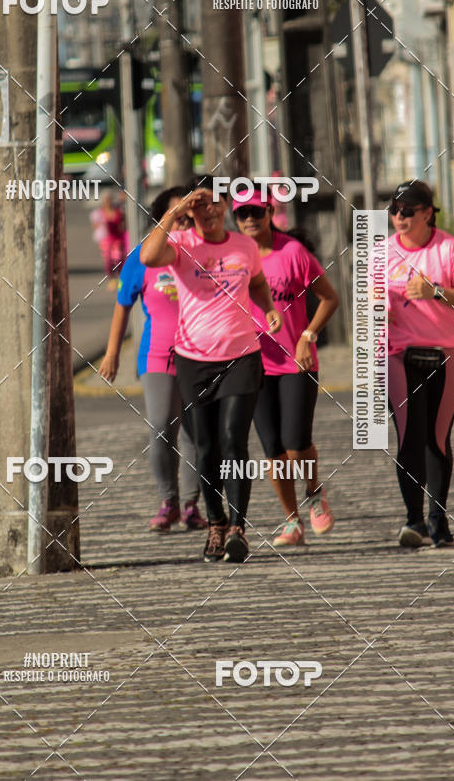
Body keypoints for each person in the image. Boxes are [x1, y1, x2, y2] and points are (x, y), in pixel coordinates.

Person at [140, 178, 283, 563]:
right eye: (200, 205)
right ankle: (215, 523)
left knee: (234, 438)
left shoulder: (245, 246)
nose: (209, 210)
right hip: (193, 359)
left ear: (224, 206)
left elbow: (256, 282)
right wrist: (174, 212)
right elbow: (148, 257)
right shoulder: (183, 244)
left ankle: (238, 527)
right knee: (207, 446)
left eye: (215, 202)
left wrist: (268, 308)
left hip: (241, 355)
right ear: (191, 211)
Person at [232, 187, 340, 546]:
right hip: (253, 363)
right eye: (242, 214)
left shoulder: (293, 253)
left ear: (269, 211)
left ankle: (314, 492)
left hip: (296, 361)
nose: (249, 219)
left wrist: (307, 336)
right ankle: (292, 522)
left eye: (256, 212)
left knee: (296, 443)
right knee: (273, 450)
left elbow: (329, 298)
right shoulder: (234, 257)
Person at [99, 187, 206, 533]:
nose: (182, 222)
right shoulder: (141, 257)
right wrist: (113, 351)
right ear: (161, 218)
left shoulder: (200, 252)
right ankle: (168, 500)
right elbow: (122, 306)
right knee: (162, 426)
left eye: (187, 217)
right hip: (156, 354)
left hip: (201, 353)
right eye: (175, 215)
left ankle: (191, 505)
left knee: (194, 432)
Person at [386, 180, 454, 547]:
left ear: (428, 213)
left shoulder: (449, 248)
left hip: (447, 355)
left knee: (436, 439)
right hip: (400, 356)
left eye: (408, 210)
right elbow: (367, 312)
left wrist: (437, 291)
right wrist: (376, 310)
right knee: (408, 438)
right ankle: (414, 521)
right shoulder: (381, 253)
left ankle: (438, 519)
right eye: (395, 210)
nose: (400, 217)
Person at [90, 192, 126, 290]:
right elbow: (94, 225)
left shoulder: (118, 211)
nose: (107, 202)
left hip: (118, 239)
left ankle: (121, 279)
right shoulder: (99, 213)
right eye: (105, 200)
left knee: (118, 258)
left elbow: (123, 223)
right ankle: (112, 279)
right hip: (106, 240)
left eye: (109, 200)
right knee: (108, 261)